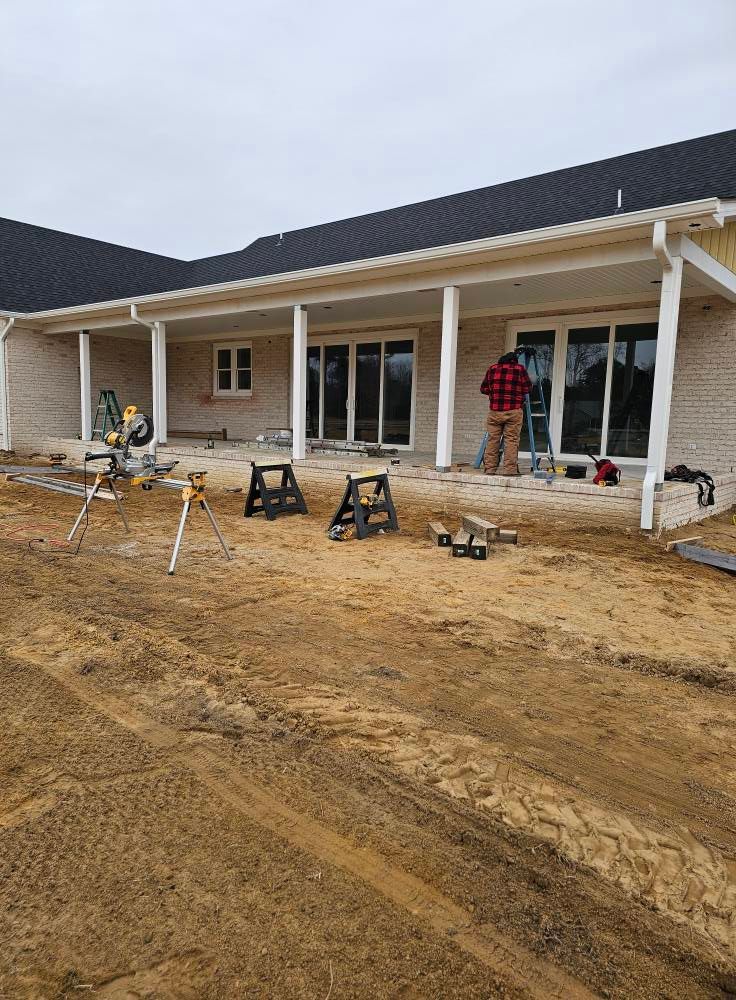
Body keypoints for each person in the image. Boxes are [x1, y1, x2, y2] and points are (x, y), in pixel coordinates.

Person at [480, 350, 532, 475]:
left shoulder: (492, 369)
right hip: (513, 410)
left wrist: (495, 393)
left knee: (493, 440)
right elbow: (528, 388)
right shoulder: (520, 369)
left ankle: (490, 469)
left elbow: (483, 389)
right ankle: (509, 470)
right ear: (514, 360)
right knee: (511, 440)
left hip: (495, 411)